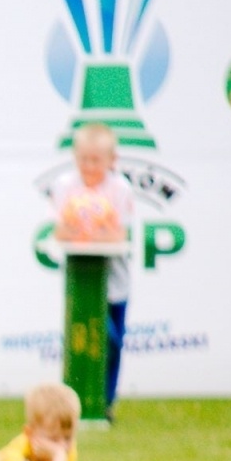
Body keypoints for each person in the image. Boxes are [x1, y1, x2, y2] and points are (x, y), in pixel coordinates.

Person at [49, 122, 135, 416]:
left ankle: (105, 401)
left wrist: (95, 230)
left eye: (96, 160)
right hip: (80, 282)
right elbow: (60, 230)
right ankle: (72, 402)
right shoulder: (64, 186)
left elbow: (120, 234)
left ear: (112, 160)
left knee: (111, 341)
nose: (89, 166)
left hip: (115, 284)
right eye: (83, 159)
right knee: (79, 339)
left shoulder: (120, 188)